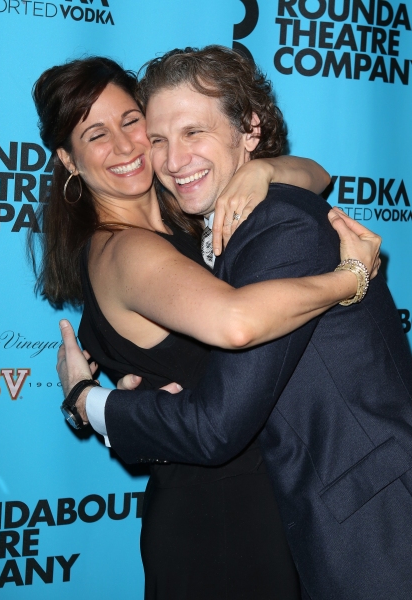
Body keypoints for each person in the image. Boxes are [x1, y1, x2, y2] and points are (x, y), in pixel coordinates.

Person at [57, 46, 412, 600]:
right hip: (220, 518)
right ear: (69, 161)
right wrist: (351, 278)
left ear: (249, 130)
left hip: (349, 512)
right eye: (159, 138)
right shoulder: (137, 246)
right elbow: (235, 333)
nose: (167, 158)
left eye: (134, 124)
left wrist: (267, 168)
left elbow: (314, 176)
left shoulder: (241, 221)